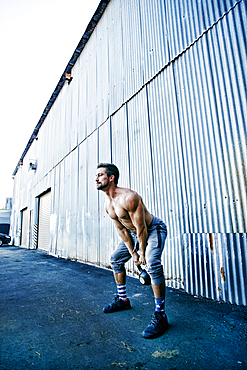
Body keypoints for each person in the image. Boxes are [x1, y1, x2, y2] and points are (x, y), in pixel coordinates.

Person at [95, 163, 168, 339]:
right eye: (96, 176)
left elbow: (141, 227)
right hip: (134, 234)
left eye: (100, 175)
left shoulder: (129, 197)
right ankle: (123, 300)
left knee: (152, 263)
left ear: (111, 178)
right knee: (115, 260)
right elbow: (121, 230)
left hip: (153, 230)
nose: (96, 178)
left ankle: (160, 314)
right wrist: (132, 252)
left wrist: (141, 253)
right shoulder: (108, 203)